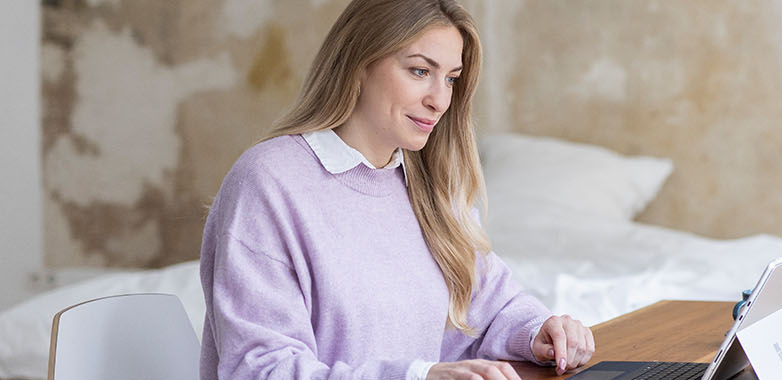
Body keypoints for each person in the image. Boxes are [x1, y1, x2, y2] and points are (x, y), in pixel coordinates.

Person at [198, 1, 593, 379]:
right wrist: (420, 376)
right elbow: (262, 370)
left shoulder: (433, 186)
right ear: (359, 64)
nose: (439, 100)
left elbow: (492, 307)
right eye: (420, 71)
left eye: (451, 79)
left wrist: (538, 332)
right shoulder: (269, 181)